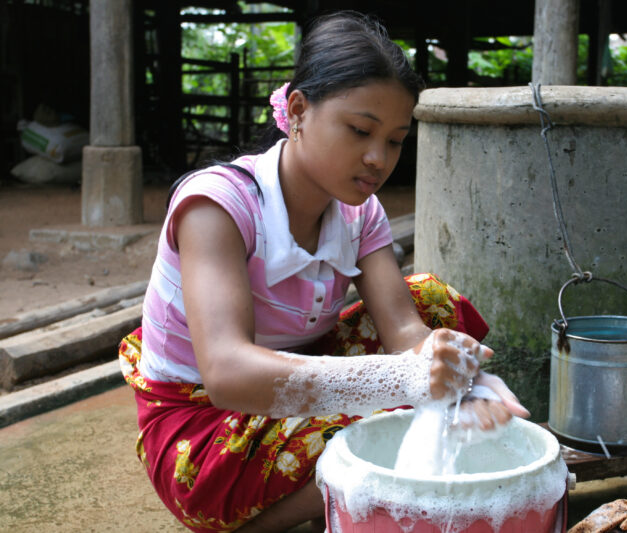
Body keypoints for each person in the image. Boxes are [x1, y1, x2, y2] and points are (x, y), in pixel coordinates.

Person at [118, 11, 530, 533]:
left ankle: (344, 490)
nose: (378, 158)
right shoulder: (218, 206)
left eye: (396, 140)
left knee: (433, 304)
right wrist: (407, 381)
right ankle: (264, 519)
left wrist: (466, 385)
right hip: (205, 425)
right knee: (391, 412)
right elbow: (225, 373)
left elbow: (406, 331)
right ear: (297, 111)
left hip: (294, 381)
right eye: (360, 130)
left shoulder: (360, 212)